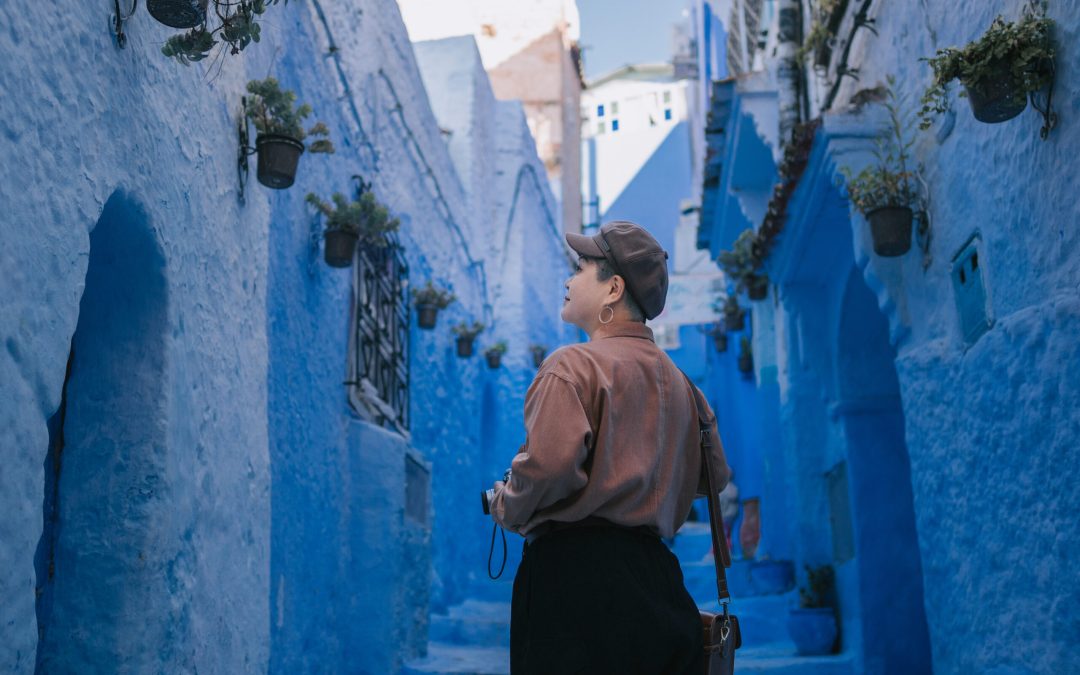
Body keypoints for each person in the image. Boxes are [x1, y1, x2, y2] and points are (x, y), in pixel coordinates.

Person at [487, 220, 732, 674]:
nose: (568, 279)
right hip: (660, 584)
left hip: (573, 589)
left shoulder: (572, 367)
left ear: (613, 288)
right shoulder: (685, 388)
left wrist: (506, 505)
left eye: (581, 268)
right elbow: (714, 478)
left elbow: (549, 469)